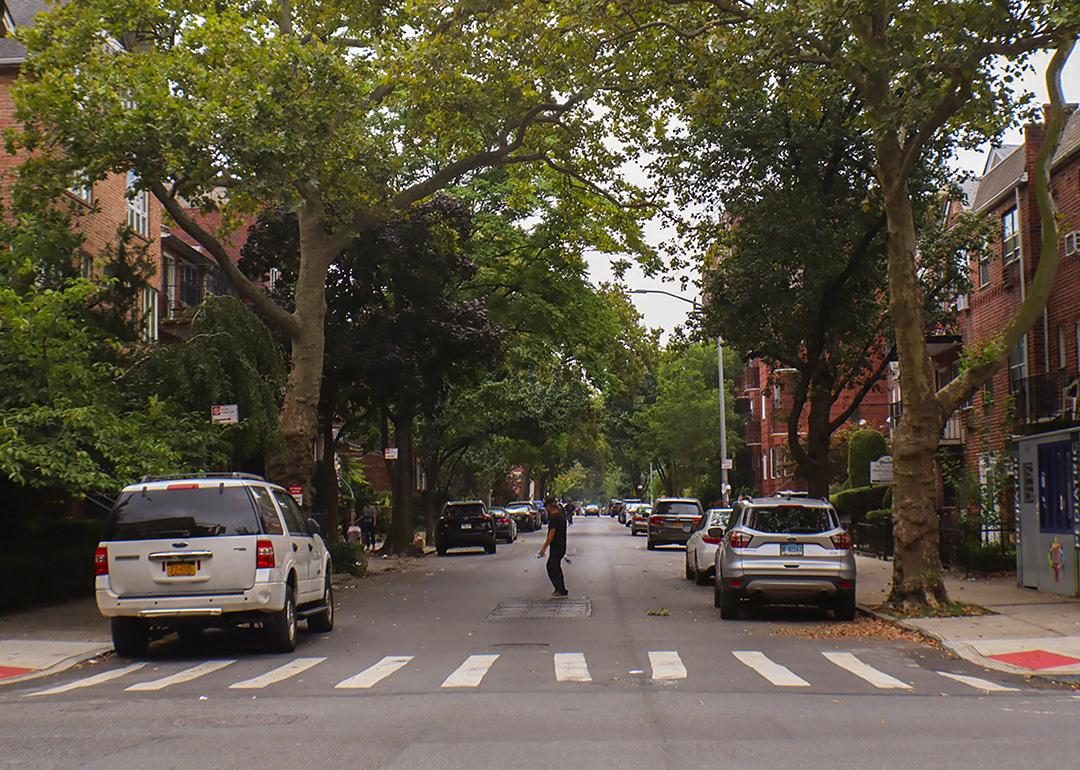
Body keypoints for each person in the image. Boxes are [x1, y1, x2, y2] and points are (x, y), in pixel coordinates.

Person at [538, 496, 568, 598]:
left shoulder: (554, 518)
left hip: (556, 547)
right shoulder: (561, 517)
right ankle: (560, 588)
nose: (546, 509)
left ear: (550, 506)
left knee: (551, 567)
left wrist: (544, 547)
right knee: (555, 567)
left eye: (546, 507)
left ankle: (560, 589)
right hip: (561, 546)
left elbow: (552, 533)